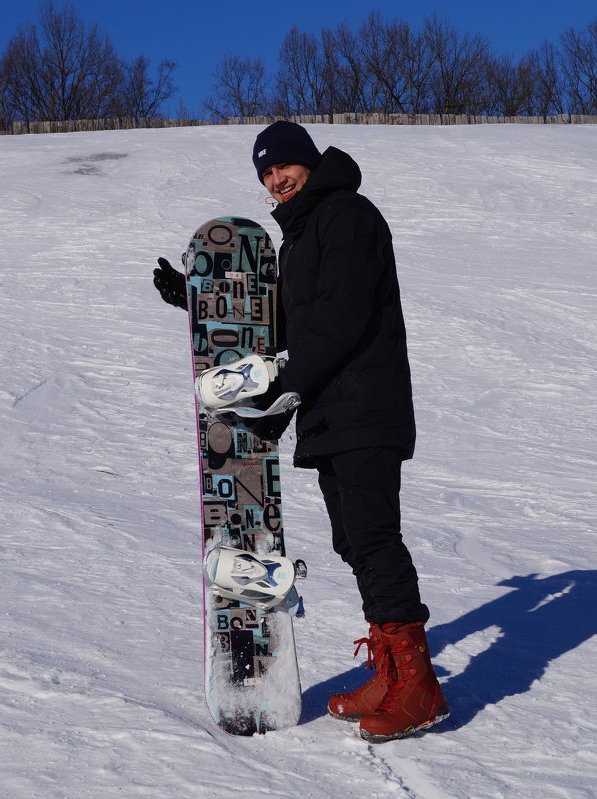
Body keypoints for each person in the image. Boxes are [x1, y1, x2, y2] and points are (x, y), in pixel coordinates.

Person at [153, 121, 447, 742]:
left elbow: (340, 318)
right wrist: (200, 299)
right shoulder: (301, 236)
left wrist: (288, 384)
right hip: (331, 412)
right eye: (264, 173)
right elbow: (280, 323)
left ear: (308, 163)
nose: (274, 179)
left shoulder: (348, 217)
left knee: (375, 539)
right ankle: (392, 673)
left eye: (282, 167)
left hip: (365, 406)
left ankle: (418, 688)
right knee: (354, 541)